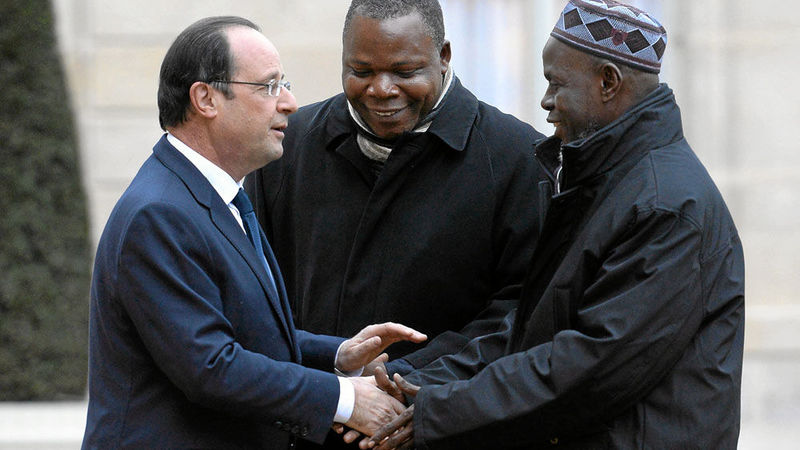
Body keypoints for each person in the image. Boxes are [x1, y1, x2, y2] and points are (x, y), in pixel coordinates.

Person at [368, 1, 745, 448]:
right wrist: (414, 381)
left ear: (608, 82)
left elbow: (592, 368)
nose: (545, 101)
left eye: (556, 84)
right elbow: (532, 331)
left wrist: (439, 411)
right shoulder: (608, 183)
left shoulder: (665, 206)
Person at [81, 16, 428, 449]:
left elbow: (240, 329)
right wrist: (345, 399)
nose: (289, 103)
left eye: (285, 84)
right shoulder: (159, 213)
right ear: (205, 98)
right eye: (269, 86)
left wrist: (337, 355)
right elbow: (210, 367)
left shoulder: (214, 194)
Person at [245, 0, 545, 385]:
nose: (382, 89)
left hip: (437, 421)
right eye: (361, 71)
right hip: (309, 416)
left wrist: (404, 382)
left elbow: (520, 313)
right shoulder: (288, 147)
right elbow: (257, 294)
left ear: (444, 57)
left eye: (405, 72)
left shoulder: (518, 157)